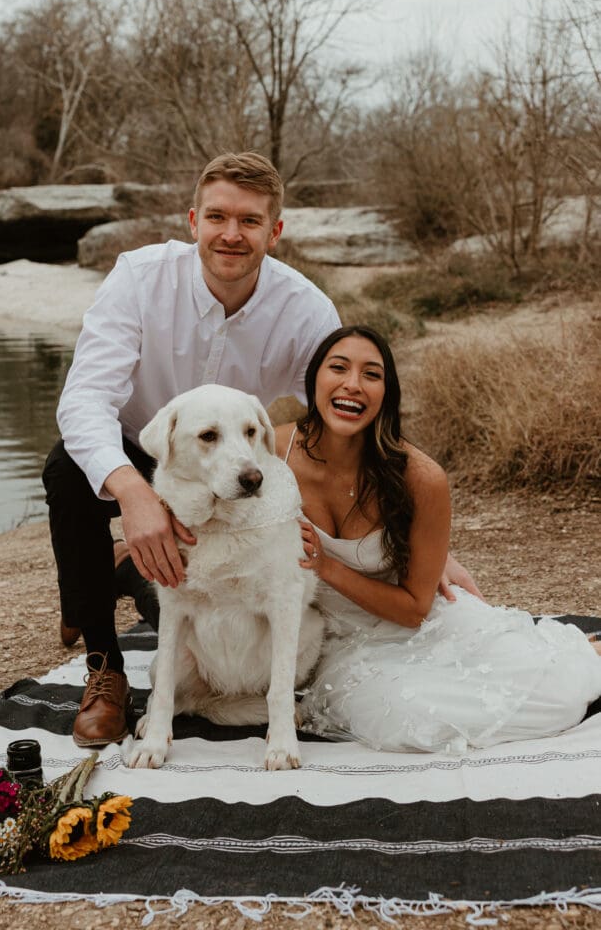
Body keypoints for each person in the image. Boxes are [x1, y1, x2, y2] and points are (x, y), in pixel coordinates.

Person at [42, 153, 476, 749]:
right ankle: (103, 664)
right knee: (68, 469)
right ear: (193, 219)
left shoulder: (306, 309)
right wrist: (136, 493)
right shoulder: (138, 278)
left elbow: (340, 415)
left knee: (202, 600)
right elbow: (84, 400)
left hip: (233, 459)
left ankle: (109, 573)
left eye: (249, 221)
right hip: (144, 439)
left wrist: (414, 530)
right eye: (217, 216)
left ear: (275, 232)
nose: (230, 234)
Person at [275, 325, 601, 753]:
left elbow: (413, 610)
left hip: (424, 620)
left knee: (554, 695)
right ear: (314, 378)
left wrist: (327, 566)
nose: (352, 384)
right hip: (337, 644)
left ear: (386, 393)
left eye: (371, 375)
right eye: (338, 367)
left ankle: (577, 653)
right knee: (399, 716)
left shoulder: (420, 477)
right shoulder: (271, 449)